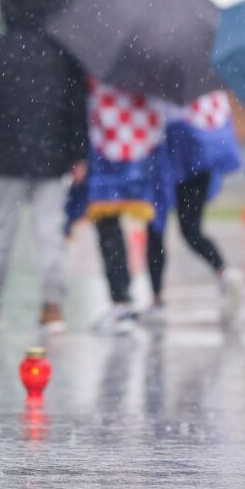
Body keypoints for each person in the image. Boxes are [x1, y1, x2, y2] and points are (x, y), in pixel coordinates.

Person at [0, 0, 88, 332]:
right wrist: (79, 153)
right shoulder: (60, 49)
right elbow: (76, 105)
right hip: (54, 156)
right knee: (49, 232)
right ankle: (53, 307)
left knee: (2, 230)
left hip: (8, 154)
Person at [66, 81, 166, 335]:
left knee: (109, 227)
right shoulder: (152, 64)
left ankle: (123, 301)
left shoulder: (95, 65)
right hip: (144, 151)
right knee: (148, 225)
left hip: (106, 153)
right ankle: (145, 298)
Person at [145, 91, 243, 325]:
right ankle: (224, 271)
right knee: (191, 230)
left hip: (169, 154)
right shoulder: (206, 82)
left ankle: (157, 299)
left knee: (155, 229)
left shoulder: (159, 82)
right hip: (202, 157)